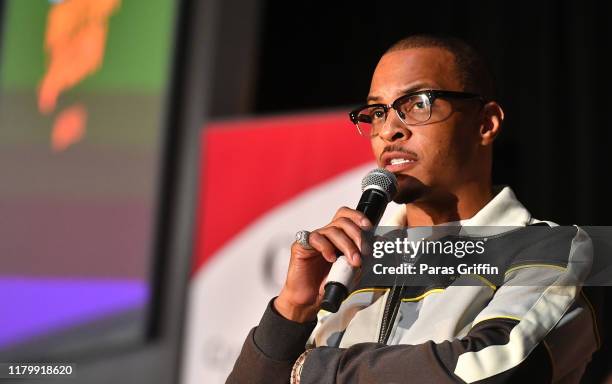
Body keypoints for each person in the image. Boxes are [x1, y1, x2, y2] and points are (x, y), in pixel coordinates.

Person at [226, 35, 601, 384]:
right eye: (376, 112)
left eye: (418, 104)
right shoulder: (353, 263)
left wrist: (314, 370)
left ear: (486, 123)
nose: (390, 129)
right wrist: (293, 310)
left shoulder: (549, 249)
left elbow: (487, 370)